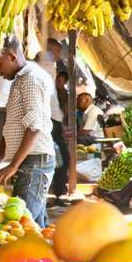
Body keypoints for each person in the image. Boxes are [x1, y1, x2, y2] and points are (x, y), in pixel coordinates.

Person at [0, 36, 56, 228]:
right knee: (34, 227)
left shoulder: (30, 79)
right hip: (31, 162)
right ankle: (41, 259)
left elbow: (34, 127)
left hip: (35, 162)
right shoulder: (20, 79)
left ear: (11, 57)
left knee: (20, 226)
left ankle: (30, 259)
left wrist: (13, 166)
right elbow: (10, 129)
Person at [51, 71, 71, 203]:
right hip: (50, 128)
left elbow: (67, 113)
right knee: (55, 160)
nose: (59, 82)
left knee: (63, 159)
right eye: (57, 80)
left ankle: (59, 191)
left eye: (61, 81)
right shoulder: (50, 91)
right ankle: (55, 191)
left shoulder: (66, 95)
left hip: (58, 129)